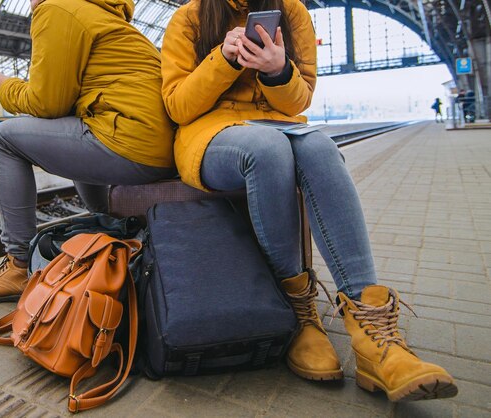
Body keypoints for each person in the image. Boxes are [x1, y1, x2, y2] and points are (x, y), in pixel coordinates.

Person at [161, 0, 457, 402]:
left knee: (319, 146)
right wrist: (224, 59)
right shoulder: (189, 17)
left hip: (280, 126)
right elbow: (178, 106)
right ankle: (300, 314)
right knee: (266, 150)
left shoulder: (292, 12)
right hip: (210, 135)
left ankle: (374, 337)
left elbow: (299, 102)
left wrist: (277, 69)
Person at [0, 0, 176, 302]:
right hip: (156, 146)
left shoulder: (58, 8)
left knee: (3, 139)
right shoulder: (106, 15)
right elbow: (63, 102)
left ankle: (18, 266)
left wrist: (3, 87)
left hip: (129, 141)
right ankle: (111, 229)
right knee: (77, 125)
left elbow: (47, 103)